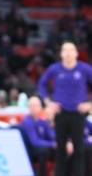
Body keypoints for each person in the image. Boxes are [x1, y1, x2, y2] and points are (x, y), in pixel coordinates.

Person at [38, 41, 92, 176]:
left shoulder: (84, 69)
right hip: (60, 113)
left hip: (78, 114)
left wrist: (90, 104)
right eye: (65, 50)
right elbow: (42, 85)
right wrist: (48, 102)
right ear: (61, 54)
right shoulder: (54, 69)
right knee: (60, 150)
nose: (68, 53)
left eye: (71, 50)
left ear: (76, 53)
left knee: (79, 150)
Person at [21, 96, 56, 176]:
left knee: (63, 150)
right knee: (43, 151)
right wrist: (52, 144)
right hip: (30, 150)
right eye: (31, 106)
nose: (34, 108)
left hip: (44, 148)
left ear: (40, 107)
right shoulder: (27, 122)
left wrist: (60, 143)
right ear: (28, 108)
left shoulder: (42, 121)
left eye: (36, 106)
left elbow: (51, 136)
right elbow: (35, 142)